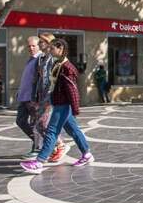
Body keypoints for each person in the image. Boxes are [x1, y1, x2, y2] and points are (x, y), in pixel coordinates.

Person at [20, 38, 94, 174]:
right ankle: (87, 154)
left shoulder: (67, 67)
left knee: (51, 131)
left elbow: (72, 90)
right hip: (58, 102)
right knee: (73, 130)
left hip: (63, 105)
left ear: (60, 49)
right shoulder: (58, 63)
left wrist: (75, 108)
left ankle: (39, 162)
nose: (50, 49)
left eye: (53, 48)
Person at [30, 32, 67, 163]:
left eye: (41, 42)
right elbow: (40, 79)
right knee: (39, 125)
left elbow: (56, 79)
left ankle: (59, 145)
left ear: (48, 43)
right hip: (42, 96)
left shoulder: (53, 59)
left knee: (42, 124)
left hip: (50, 97)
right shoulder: (43, 59)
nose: (39, 44)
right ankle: (56, 147)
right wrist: (35, 97)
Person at [15, 36, 42, 156]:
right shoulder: (31, 59)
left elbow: (42, 80)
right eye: (29, 46)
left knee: (36, 124)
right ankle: (42, 143)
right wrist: (20, 91)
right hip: (23, 96)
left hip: (33, 98)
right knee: (20, 121)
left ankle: (38, 148)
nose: (31, 48)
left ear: (39, 46)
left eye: (33, 46)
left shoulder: (40, 59)